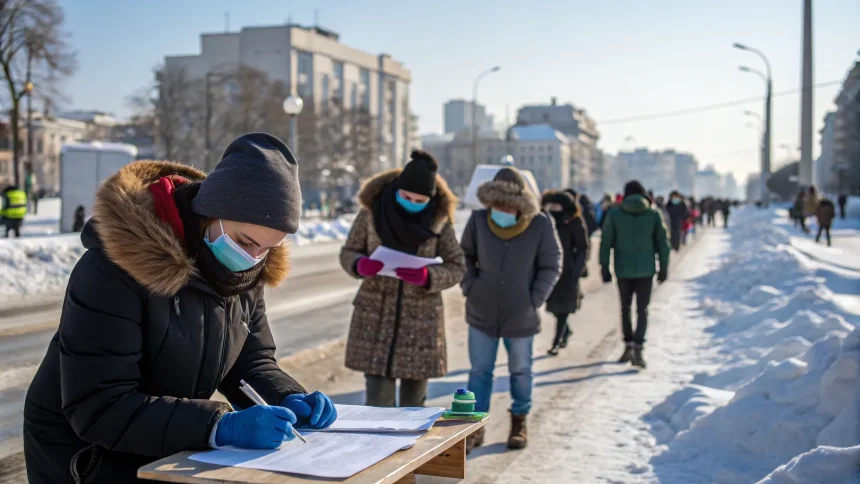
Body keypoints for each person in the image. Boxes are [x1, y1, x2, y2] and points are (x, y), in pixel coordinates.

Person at [23, 133, 337, 483]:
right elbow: (100, 405)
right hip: (87, 458)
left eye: (268, 248)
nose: (253, 258)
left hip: (163, 446)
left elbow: (251, 361)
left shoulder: (244, 273)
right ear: (211, 211)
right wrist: (219, 424)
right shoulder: (113, 271)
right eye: (246, 241)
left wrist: (288, 396)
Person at [340, 150, 465, 408]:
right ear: (396, 189)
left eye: (419, 201)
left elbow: (457, 266)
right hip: (375, 316)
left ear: (430, 201)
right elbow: (349, 251)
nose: (411, 203)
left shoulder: (440, 223)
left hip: (420, 324)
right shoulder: (371, 213)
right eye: (406, 197)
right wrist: (359, 264)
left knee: (413, 407)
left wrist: (428, 276)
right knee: (378, 403)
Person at [461, 167, 561, 452]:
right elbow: (464, 255)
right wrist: (470, 286)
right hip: (482, 311)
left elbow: (551, 264)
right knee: (479, 372)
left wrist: (534, 298)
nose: (503, 210)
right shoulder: (479, 221)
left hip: (521, 314)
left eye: (509, 205)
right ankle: (473, 427)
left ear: (521, 204)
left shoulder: (539, 225)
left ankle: (519, 420)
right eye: (497, 204)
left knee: (521, 371)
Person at [599, 180, 671, 369]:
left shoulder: (614, 214)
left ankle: (628, 344)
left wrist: (604, 267)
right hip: (646, 270)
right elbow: (663, 243)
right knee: (642, 309)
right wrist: (664, 267)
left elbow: (606, 242)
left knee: (625, 308)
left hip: (622, 269)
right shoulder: (653, 214)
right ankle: (639, 346)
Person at [542, 190, 589, 356]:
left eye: (557, 205)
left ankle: (556, 342)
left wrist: (577, 268)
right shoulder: (546, 220)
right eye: (552, 205)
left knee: (563, 309)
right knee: (555, 308)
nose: (554, 208)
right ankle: (565, 331)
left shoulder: (574, 222)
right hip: (549, 268)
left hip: (568, 271)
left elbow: (583, 247)